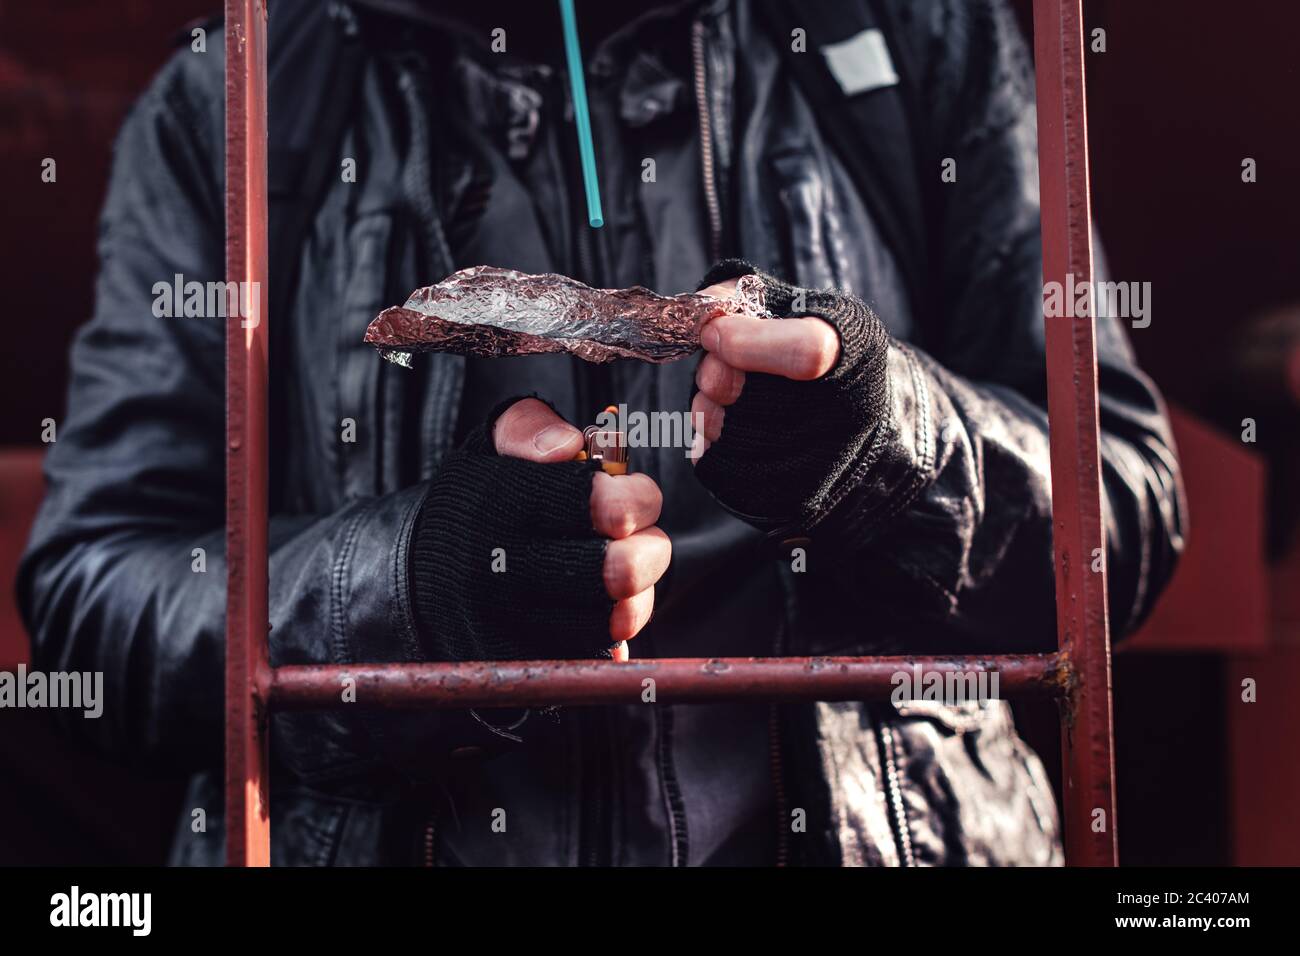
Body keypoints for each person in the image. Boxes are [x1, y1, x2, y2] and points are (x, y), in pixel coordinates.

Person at [17, 0, 1185, 866]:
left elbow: (1120, 512)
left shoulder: (916, 40)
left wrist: (887, 450)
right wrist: (410, 592)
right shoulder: (243, 95)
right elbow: (96, 597)